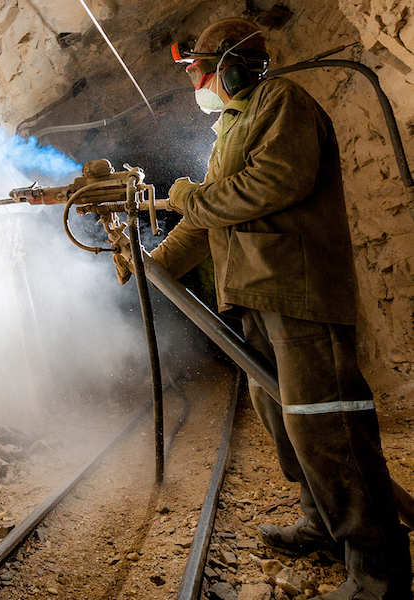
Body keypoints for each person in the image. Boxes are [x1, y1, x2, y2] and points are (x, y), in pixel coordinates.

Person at [153, 17, 413, 599]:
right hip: (255, 294)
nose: (196, 83)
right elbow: (210, 217)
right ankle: (322, 523)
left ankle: (380, 573)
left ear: (230, 65)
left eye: (198, 70)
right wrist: (152, 264)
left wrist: (188, 196)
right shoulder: (232, 126)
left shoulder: (281, 103)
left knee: (328, 425)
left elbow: (273, 184)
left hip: (298, 290)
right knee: (286, 419)